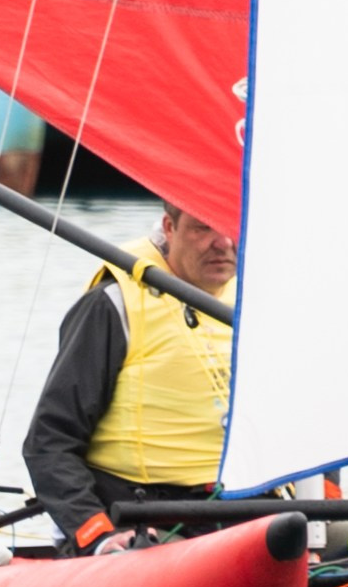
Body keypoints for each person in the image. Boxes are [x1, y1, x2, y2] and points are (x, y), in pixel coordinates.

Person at [24, 200, 237, 551]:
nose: (223, 243)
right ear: (169, 227)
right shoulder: (113, 303)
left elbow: (307, 426)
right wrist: (98, 533)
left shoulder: (261, 299)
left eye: (230, 225)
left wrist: (322, 510)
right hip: (143, 517)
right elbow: (48, 443)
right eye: (204, 227)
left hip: (250, 511)